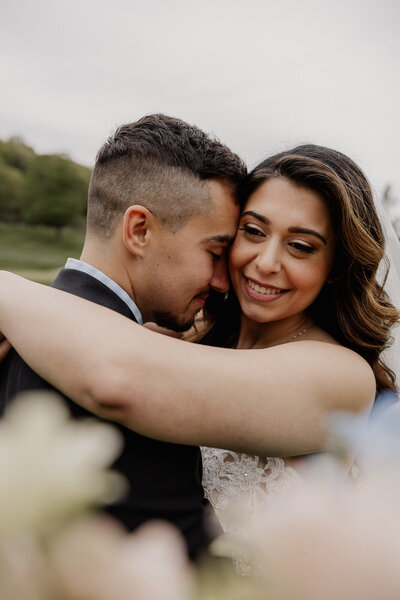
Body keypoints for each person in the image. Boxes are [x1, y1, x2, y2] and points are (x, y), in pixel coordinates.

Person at [0, 144, 399, 552]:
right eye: (254, 231)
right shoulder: (186, 334)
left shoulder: (341, 378)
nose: (265, 262)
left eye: (301, 246)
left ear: (335, 270)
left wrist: (9, 290)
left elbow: (120, 379)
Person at [0, 113, 247, 559]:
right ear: (139, 231)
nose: (222, 281)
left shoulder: (17, 334)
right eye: (214, 251)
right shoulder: (144, 382)